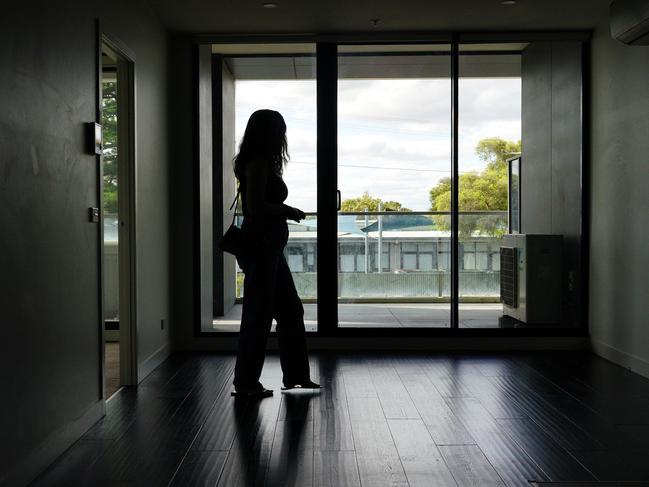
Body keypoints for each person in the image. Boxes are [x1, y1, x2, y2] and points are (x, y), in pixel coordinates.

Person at [231, 109, 320, 398]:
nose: (283, 137)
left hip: (269, 248)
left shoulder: (260, 161)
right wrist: (288, 210)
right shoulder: (258, 162)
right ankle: (246, 383)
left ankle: (295, 376)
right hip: (263, 248)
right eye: (280, 131)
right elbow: (256, 207)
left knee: (289, 310)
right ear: (270, 133)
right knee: (259, 315)